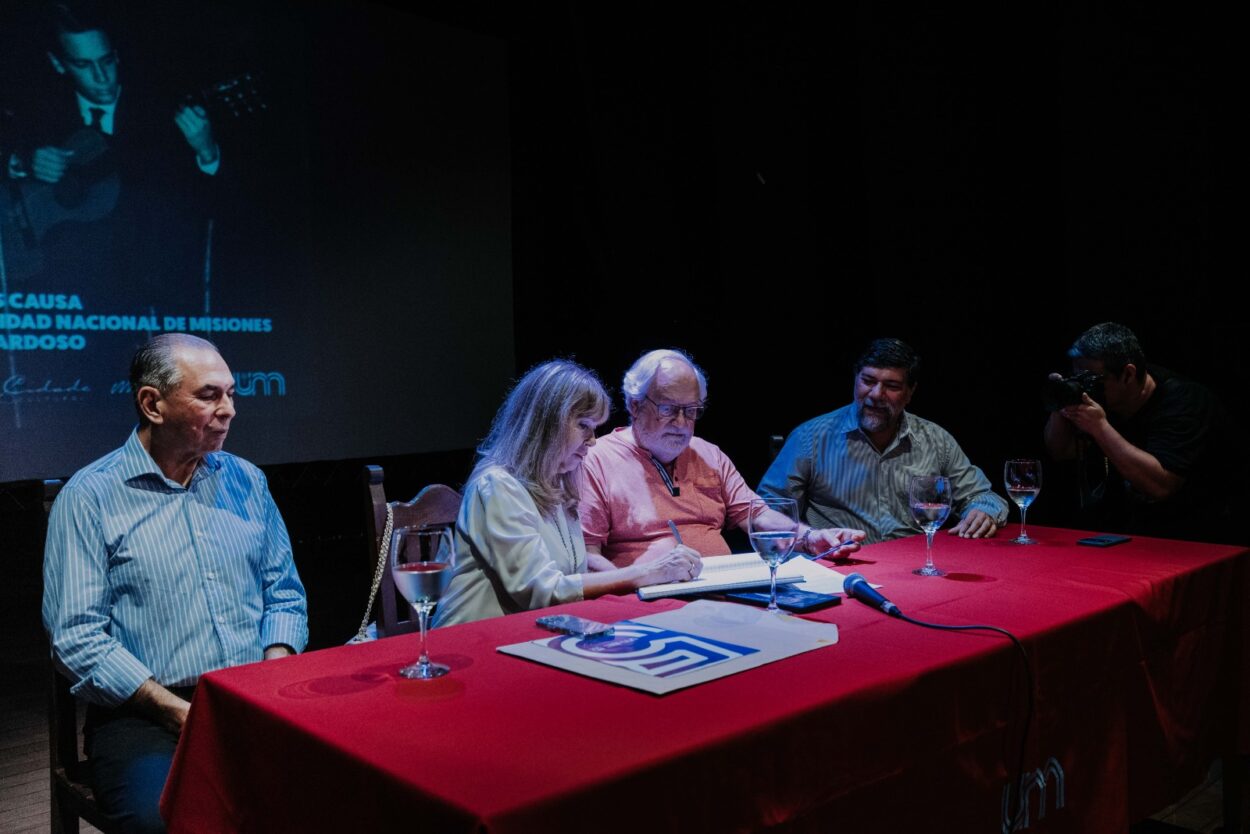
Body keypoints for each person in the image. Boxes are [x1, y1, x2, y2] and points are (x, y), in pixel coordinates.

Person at [42, 333, 307, 834]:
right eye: (210, 395)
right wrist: (173, 710)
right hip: (144, 717)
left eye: (231, 393)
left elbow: (285, 593)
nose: (229, 409)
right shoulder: (91, 497)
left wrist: (271, 679)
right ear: (152, 403)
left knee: (341, 791)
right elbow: (75, 635)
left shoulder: (246, 480)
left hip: (250, 700)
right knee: (169, 823)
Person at [433, 359, 703, 627]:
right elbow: (542, 591)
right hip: (468, 643)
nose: (593, 441)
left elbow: (573, 576)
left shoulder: (561, 484)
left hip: (529, 636)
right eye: (584, 426)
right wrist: (645, 573)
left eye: (595, 428)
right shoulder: (497, 486)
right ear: (546, 424)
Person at [579, 348, 865, 568]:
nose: (681, 423)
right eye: (668, 409)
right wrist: (641, 580)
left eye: (691, 410)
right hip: (645, 599)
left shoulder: (708, 454)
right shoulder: (596, 460)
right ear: (635, 404)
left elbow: (757, 515)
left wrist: (809, 538)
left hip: (724, 591)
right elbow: (588, 558)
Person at [758, 338, 1008, 543]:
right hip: (841, 565)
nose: (876, 394)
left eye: (891, 386)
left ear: (910, 392)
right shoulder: (810, 437)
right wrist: (807, 541)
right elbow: (767, 511)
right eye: (868, 381)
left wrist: (984, 511)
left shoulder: (935, 440)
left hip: (915, 566)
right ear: (855, 379)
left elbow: (982, 496)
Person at [1043, 322, 1234, 540]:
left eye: (1091, 379)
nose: (1085, 387)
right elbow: (1062, 451)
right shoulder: (1104, 399)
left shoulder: (1185, 402)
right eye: (1078, 378)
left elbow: (1161, 486)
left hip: (1197, 537)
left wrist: (1100, 428)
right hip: (1129, 530)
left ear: (1128, 374)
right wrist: (1060, 403)